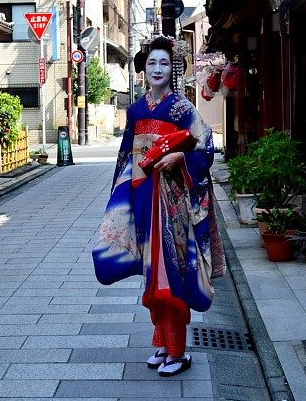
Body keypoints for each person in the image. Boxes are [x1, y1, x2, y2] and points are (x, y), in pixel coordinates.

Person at [93, 36, 226, 377]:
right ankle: (163, 344)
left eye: (163, 63)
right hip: (143, 198)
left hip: (173, 204)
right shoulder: (136, 110)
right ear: (143, 68)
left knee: (172, 271)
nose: (157, 69)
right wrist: (119, 201)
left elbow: (206, 148)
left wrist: (181, 155)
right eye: (151, 63)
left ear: (173, 69)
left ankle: (179, 351)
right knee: (153, 273)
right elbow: (126, 157)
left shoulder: (183, 109)